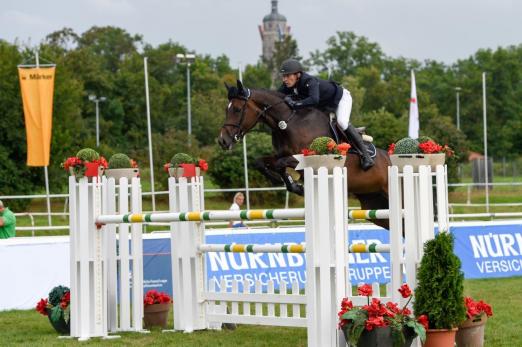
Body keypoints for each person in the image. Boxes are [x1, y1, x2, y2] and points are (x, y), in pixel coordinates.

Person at [278, 58, 375, 171]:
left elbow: (314, 100)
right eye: (283, 76)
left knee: (342, 122)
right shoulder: (288, 84)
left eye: (287, 76)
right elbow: (276, 95)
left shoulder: (309, 81)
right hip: (325, 105)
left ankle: (366, 156)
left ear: (298, 74)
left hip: (341, 99)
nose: (284, 79)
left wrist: (295, 103)